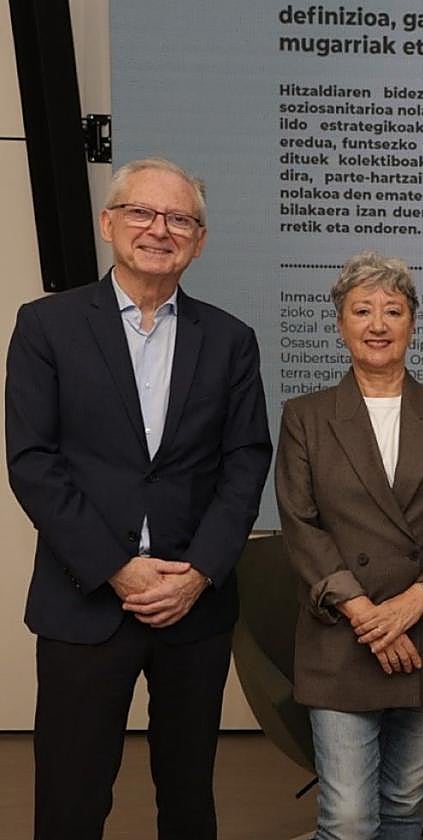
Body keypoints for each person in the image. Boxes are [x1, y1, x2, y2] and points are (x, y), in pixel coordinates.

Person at [5, 157, 272, 839]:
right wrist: (118, 568)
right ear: (108, 223)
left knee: (188, 800)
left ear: (199, 241)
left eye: (180, 218)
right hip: (84, 600)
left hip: (192, 604)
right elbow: (33, 463)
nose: (160, 229)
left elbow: (246, 462)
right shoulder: (46, 326)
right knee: (70, 801)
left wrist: (201, 572)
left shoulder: (231, 341)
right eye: (142, 213)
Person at [275, 251, 423, 840]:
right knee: (347, 817)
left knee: (402, 804)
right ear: (340, 324)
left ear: (412, 323)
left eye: (392, 310)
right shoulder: (306, 416)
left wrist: (415, 601)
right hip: (342, 636)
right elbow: (300, 523)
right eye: (362, 310)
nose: (377, 324)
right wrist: (368, 616)